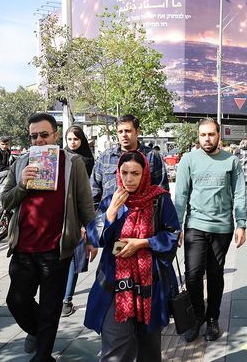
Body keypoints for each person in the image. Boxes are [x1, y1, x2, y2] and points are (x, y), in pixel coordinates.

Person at [0, 112, 97, 361]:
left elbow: (85, 204)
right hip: (23, 249)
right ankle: (39, 332)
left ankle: (43, 355)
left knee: (50, 308)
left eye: (44, 135)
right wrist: (22, 184)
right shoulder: (20, 162)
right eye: (34, 136)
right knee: (16, 301)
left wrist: (91, 238)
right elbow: (5, 200)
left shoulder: (73, 163)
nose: (40, 140)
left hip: (56, 249)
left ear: (55, 134)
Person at [84, 151, 180, 361]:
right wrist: (111, 212)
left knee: (149, 349)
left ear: (144, 173)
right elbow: (95, 238)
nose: (129, 179)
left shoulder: (159, 199)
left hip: (150, 288)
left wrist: (143, 243)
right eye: (124, 172)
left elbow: (173, 235)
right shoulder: (112, 200)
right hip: (115, 288)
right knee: (115, 350)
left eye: (135, 173)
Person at [175, 118, 247, 343]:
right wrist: (176, 227)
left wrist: (241, 223)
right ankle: (197, 317)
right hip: (195, 225)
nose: (207, 139)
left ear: (219, 136)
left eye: (211, 134)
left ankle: (212, 318)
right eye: (203, 135)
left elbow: (239, 193)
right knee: (193, 275)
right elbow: (181, 196)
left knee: (216, 275)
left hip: (222, 227)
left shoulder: (231, 161)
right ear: (198, 136)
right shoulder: (188, 160)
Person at [61, 125, 96, 317]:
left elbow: (89, 194)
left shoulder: (87, 161)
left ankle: (67, 299)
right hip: (59, 216)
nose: (72, 142)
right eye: (69, 139)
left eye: (76, 139)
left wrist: (86, 225)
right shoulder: (58, 158)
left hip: (78, 215)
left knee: (75, 258)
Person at [91, 114, 157, 208]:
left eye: (128, 131)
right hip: (112, 218)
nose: (124, 135)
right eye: (120, 131)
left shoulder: (152, 157)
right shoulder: (105, 158)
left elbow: (161, 192)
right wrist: (101, 217)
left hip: (144, 217)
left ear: (137, 131)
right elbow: (93, 192)